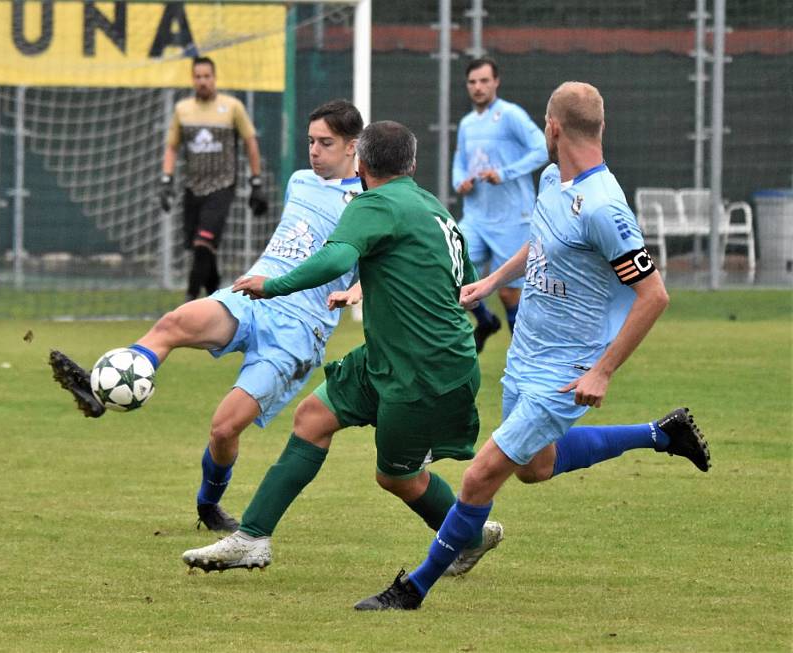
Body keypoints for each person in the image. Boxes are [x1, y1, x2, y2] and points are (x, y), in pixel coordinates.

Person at [354, 82, 711, 610]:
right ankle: (662, 434)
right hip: (525, 354)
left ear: (553, 127)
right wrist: (492, 281)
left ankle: (413, 589)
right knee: (534, 466)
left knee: (480, 477)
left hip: (566, 369)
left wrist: (603, 371)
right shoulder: (551, 179)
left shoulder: (605, 209)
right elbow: (541, 240)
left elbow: (654, 295)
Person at [179, 120, 504, 576]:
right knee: (313, 418)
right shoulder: (434, 208)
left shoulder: (372, 203)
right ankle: (252, 538)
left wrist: (273, 286)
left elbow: (336, 258)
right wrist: (375, 290)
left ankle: (469, 534)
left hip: (423, 369)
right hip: (393, 358)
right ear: (411, 164)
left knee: (395, 476)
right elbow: (461, 284)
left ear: (363, 163)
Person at [50, 99, 365, 533]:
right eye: (310, 141)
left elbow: (377, 268)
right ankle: (100, 388)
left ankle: (208, 504)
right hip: (252, 296)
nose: (313, 151)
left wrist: (354, 291)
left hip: (298, 329)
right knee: (171, 325)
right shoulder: (299, 181)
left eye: (325, 143)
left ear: (352, 147)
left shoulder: (367, 203)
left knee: (222, 429)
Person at [453, 56, 548, 352]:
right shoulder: (467, 123)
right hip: (476, 216)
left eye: (484, 80)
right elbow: (459, 163)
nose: (478, 87)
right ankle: (485, 320)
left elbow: (542, 149)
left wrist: (505, 173)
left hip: (512, 217)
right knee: (450, 271)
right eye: (472, 82)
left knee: (509, 292)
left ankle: (525, 354)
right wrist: (460, 182)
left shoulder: (511, 115)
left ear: (496, 82)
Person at [159, 56, 269, 302]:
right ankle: (216, 299)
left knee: (202, 243)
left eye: (207, 76)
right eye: (198, 77)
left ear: (215, 78)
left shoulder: (232, 107)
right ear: (192, 79)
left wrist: (256, 181)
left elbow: (251, 142)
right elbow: (172, 147)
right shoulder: (183, 109)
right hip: (192, 187)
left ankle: (189, 300)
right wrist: (167, 180)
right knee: (203, 250)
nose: (203, 81)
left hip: (222, 186)